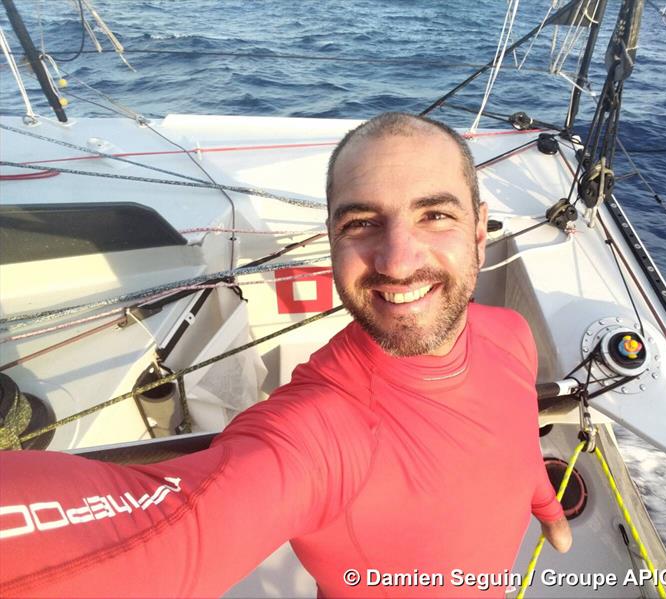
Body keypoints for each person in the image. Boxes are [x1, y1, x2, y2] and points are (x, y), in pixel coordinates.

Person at [0, 112, 571, 598]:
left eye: (435, 215)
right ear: (333, 242)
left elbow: (507, 423)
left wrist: (537, 493)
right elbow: (164, 534)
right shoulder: (321, 431)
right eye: (361, 223)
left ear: (478, 231)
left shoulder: (509, 332)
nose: (397, 262)